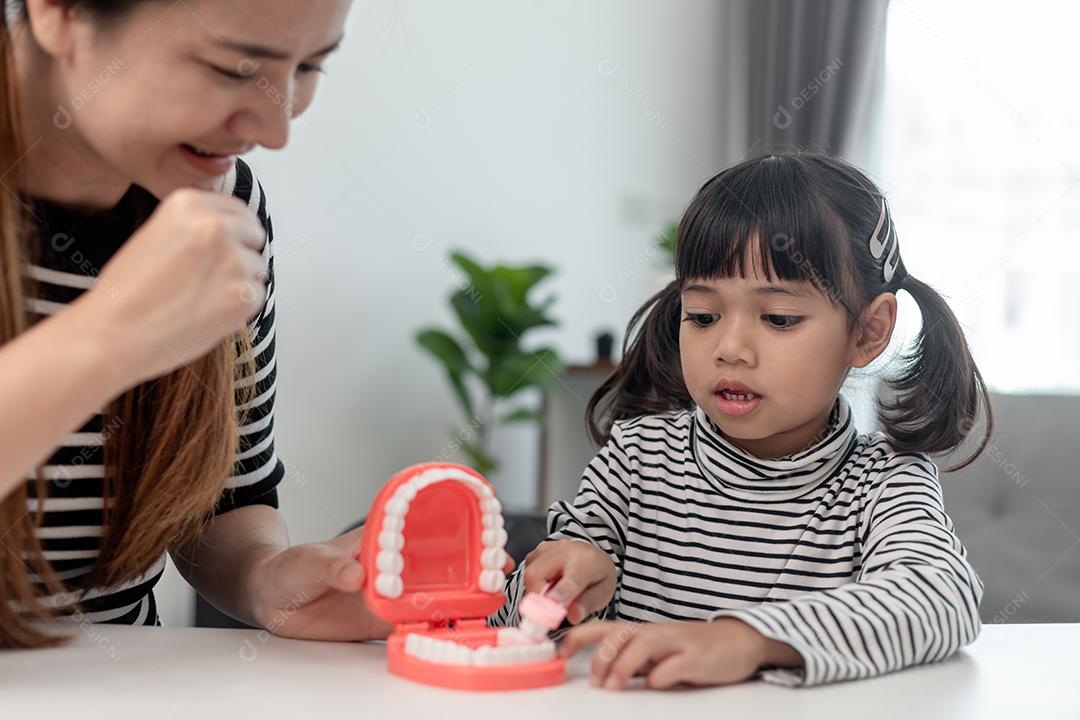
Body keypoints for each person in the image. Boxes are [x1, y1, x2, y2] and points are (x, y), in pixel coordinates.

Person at [490, 152, 993, 689]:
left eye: (779, 318)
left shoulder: (884, 483)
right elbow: (510, 628)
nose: (729, 349)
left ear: (867, 333)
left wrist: (744, 640)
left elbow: (939, 598)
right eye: (703, 316)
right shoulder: (637, 459)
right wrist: (555, 585)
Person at [0, 0, 396, 648]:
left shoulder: (227, 200)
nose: (277, 128)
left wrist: (269, 579)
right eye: (235, 67)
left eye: (311, 66)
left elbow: (227, 498)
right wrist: (112, 335)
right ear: (59, 14)